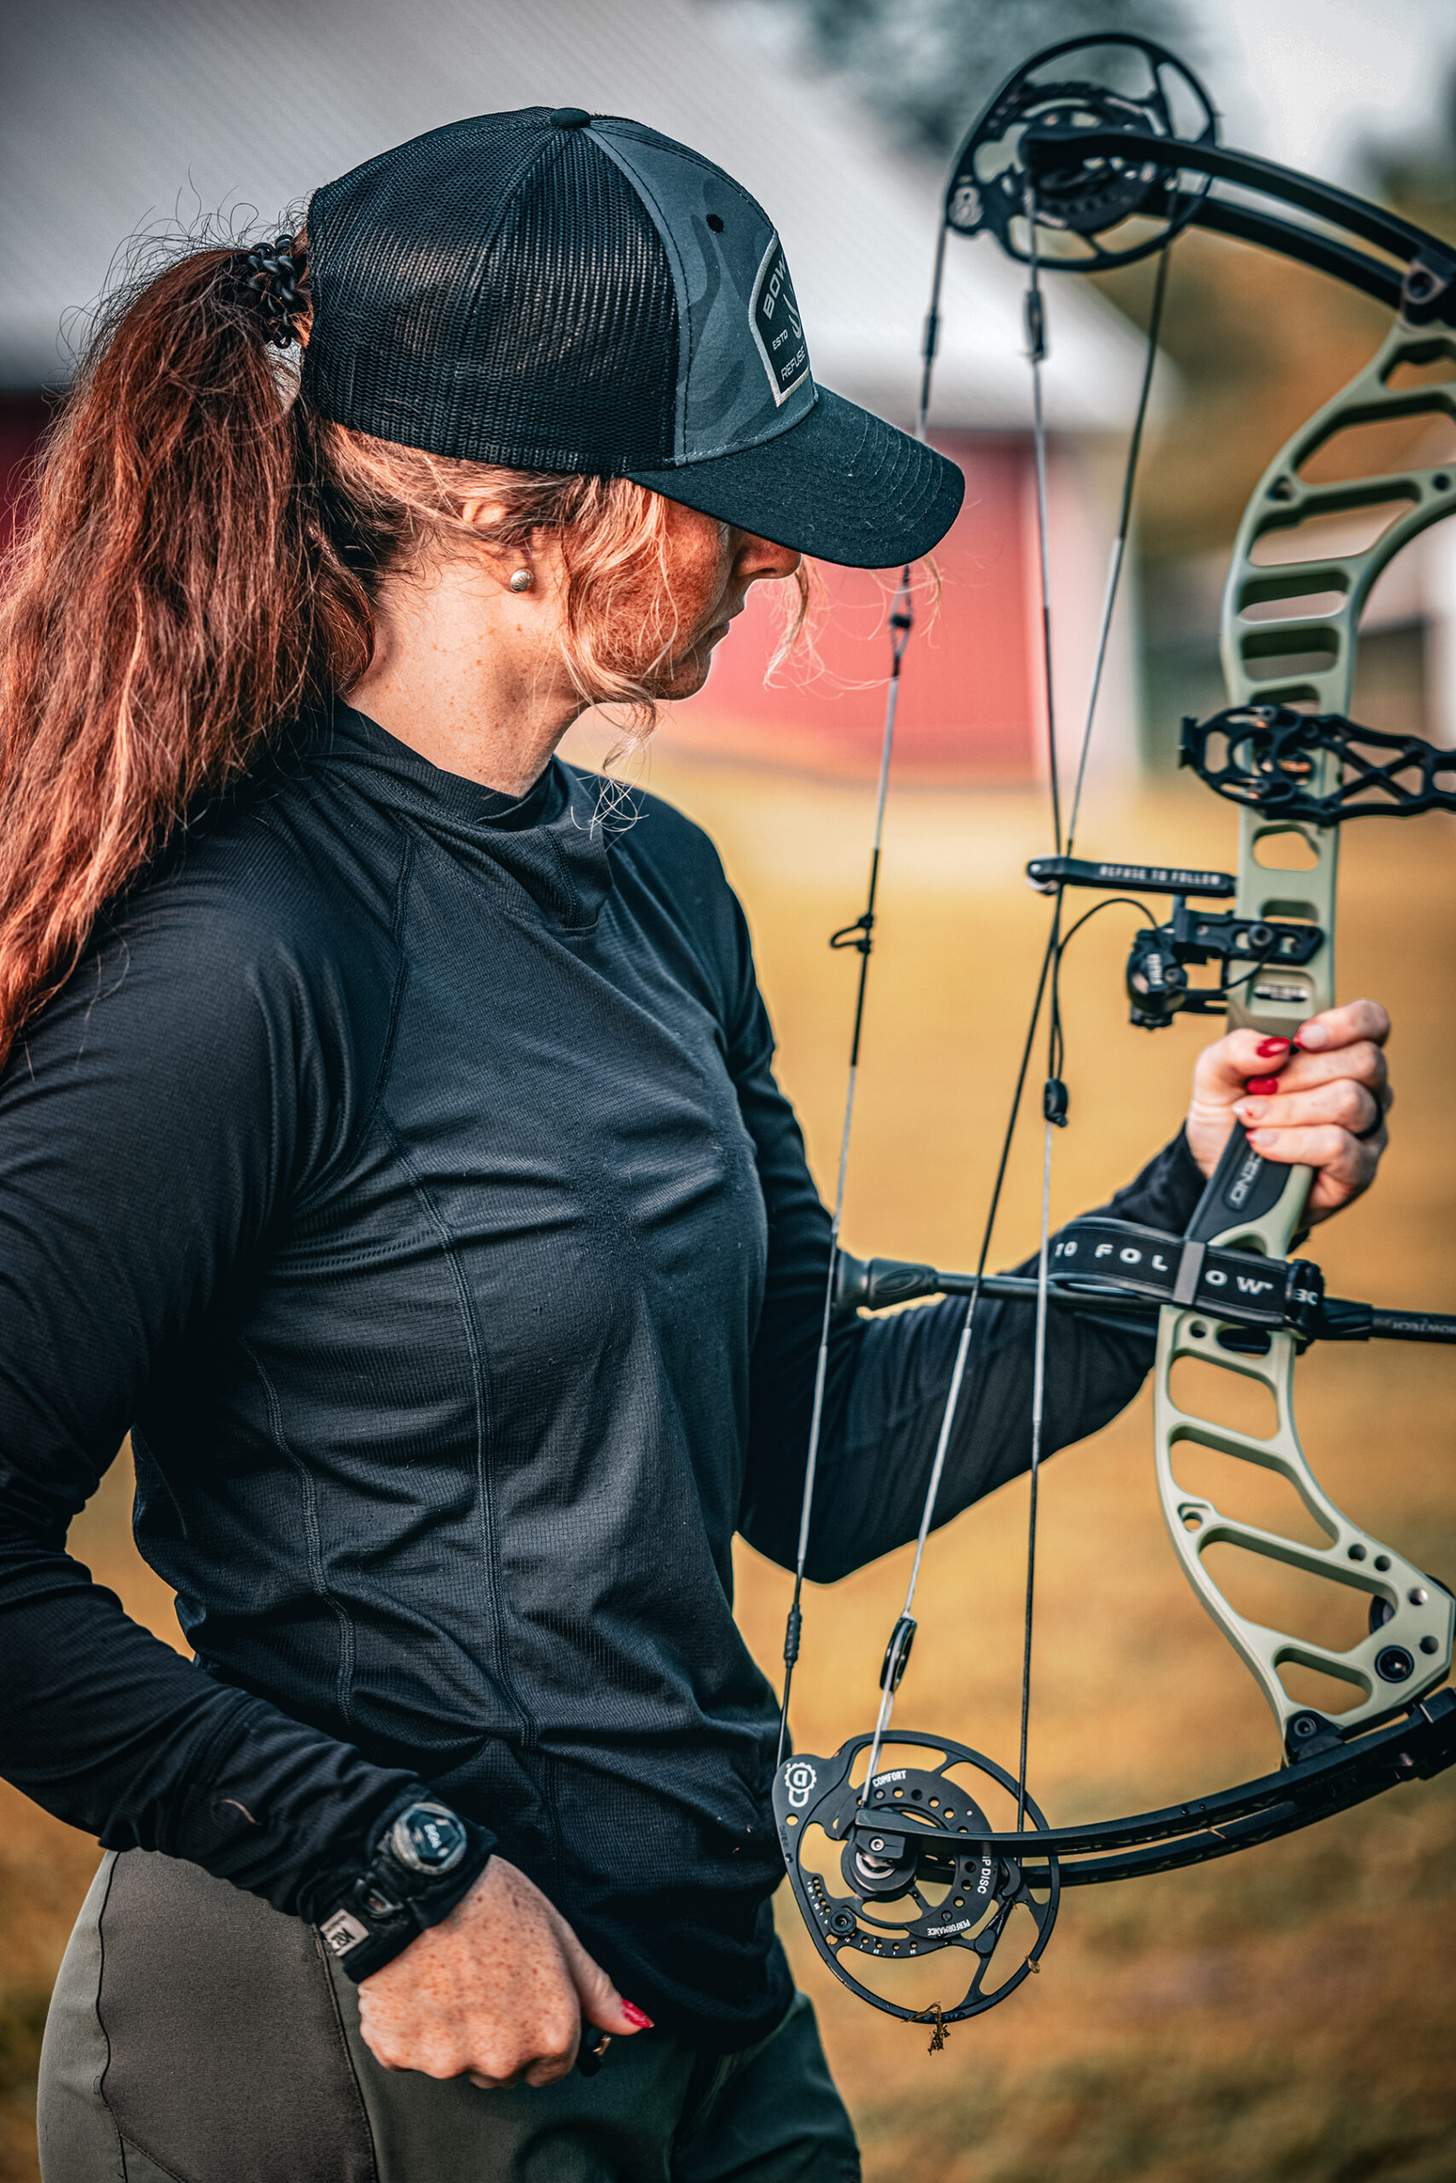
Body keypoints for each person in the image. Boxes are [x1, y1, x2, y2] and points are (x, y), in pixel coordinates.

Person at [0, 107, 1390, 2183]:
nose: (778, 553)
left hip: (708, 2009)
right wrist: (394, 1874)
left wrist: (1189, 1206)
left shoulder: (655, 883)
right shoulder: (244, 961)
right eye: (724, 500)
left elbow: (810, 1453)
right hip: (364, 2031)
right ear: (507, 513)